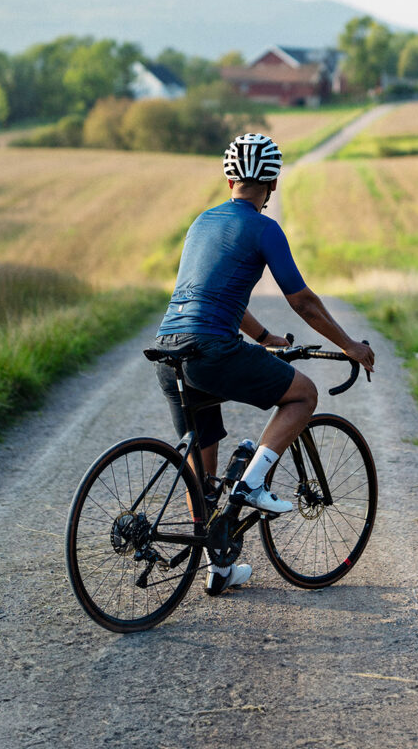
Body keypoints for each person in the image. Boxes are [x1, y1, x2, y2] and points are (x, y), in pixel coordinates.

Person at [153, 131, 377, 591]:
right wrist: (351, 344)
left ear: (228, 177)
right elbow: (304, 302)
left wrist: (265, 337)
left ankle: (218, 569)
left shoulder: (201, 223)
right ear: (271, 184)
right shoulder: (263, 228)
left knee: (204, 467)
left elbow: (212, 296)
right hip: (212, 350)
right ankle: (253, 483)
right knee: (304, 393)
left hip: (169, 350)